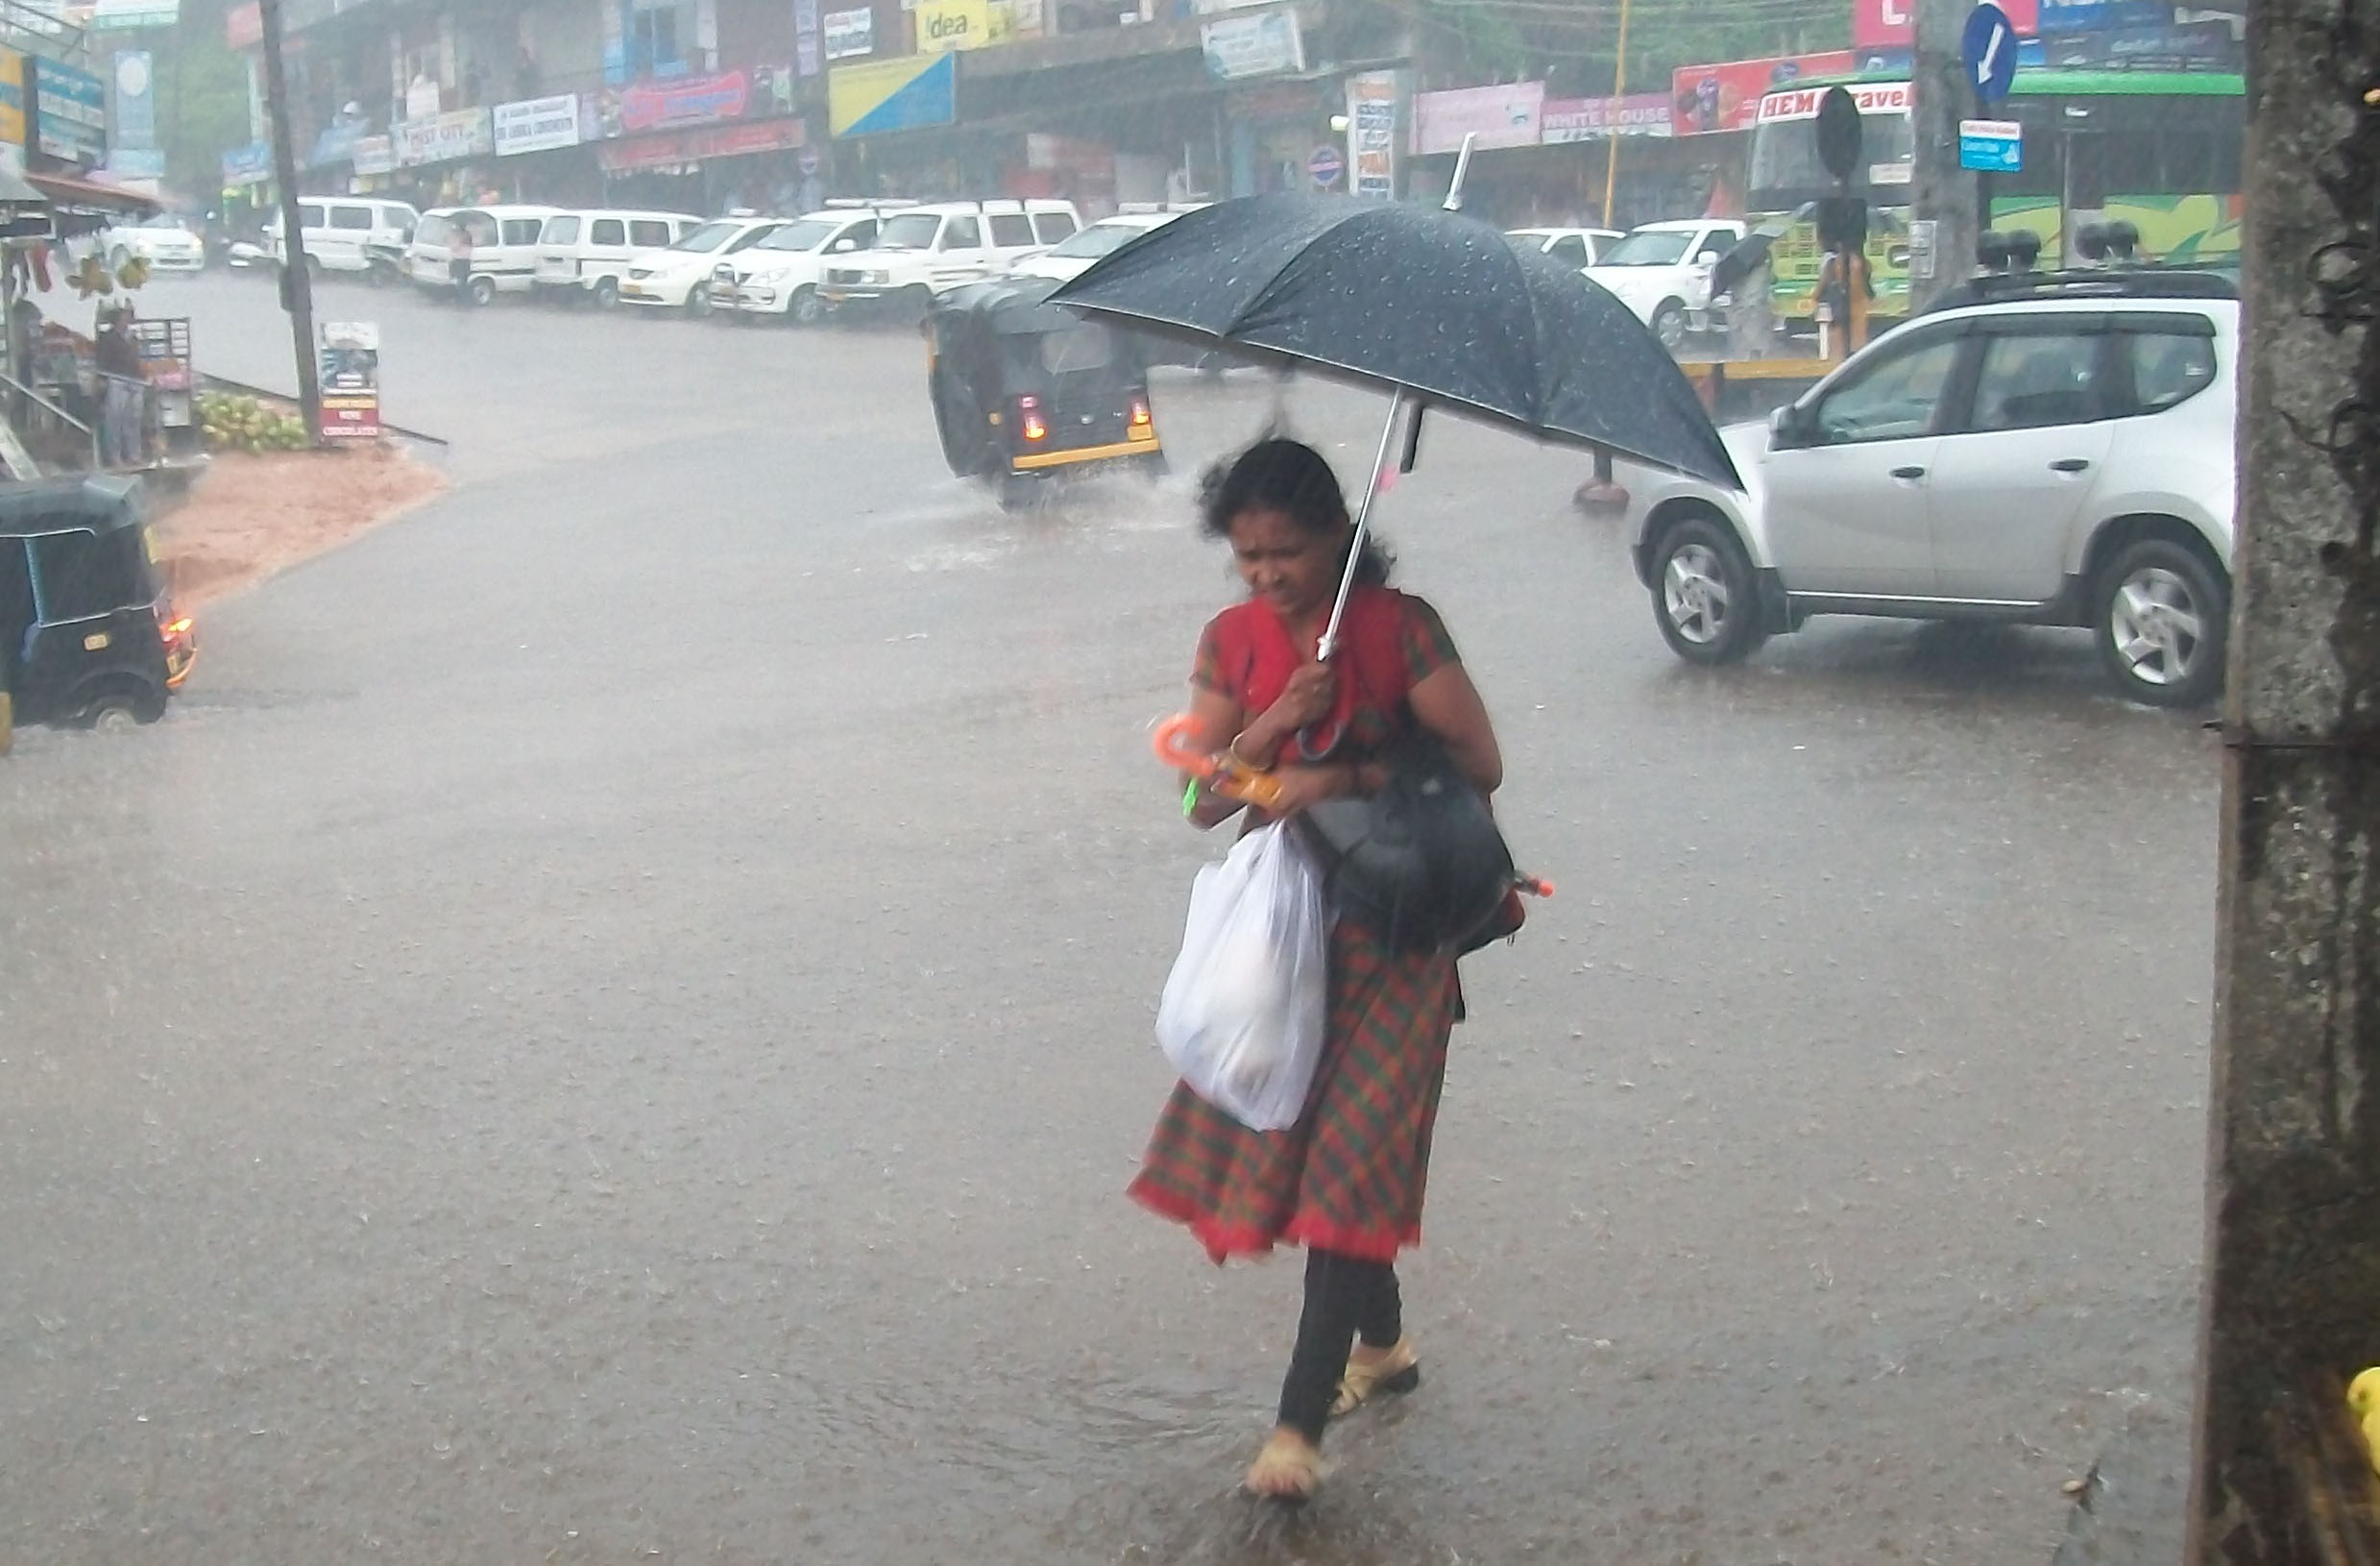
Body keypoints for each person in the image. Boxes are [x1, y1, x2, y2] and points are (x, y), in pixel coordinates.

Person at [1129, 437, 1505, 1502]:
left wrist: (1341, 764)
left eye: (1283, 553)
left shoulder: (1402, 628)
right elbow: (1203, 798)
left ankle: (1296, 1428)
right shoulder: (1231, 641)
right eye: (1246, 557)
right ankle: (1381, 1348)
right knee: (1319, 1152)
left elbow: (1482, 765)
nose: (1264, 576)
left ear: (1337, 533)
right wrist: (1271, 724)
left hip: (1400, 923)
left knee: (1355, 1160)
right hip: (1287, 939)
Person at [93, 306, 146, 468]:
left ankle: (134, 455)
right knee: (115, 419)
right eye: (124, 317)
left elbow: (138, 360)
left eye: (128, 317)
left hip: (135, 380)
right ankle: (115, 456)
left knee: (134, 418)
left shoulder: (133, 338)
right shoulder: (108, 338)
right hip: (116, 379)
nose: (126, 320)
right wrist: (101, 379)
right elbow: (101, 360)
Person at [449, 219, 475, 303]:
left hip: (462, 260)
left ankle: (464, 299)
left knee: (461, 281)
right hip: (463, 259)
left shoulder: (464, 235)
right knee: (462, 280)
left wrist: (454, 247)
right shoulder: (466, 235)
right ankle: (462, 298)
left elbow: (457, 246)